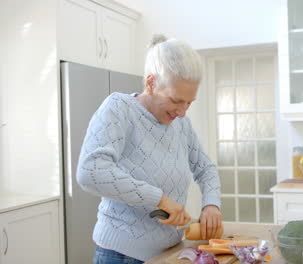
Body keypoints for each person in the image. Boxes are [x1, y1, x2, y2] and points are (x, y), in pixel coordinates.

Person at [76, 34, 222, 263]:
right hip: (121, 255)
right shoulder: (119, 109)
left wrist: (211, 205)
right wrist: (160, 199)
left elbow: (205, 168)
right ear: (151, 83)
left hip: (170, 251)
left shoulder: (181, 123)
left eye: (189, 102)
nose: (183, 111)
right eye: (176, 100)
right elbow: (91, 172)